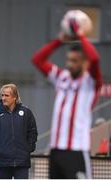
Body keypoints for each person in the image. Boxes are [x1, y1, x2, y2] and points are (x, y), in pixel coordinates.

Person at [32, 19, 102, 179]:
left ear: (85, 63)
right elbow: (37, 60)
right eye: (68, 60)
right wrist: (59, 40)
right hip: (56, 150)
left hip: (76, 150)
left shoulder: (90, 83)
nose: (70, 65)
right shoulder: (61, 77)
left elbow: (95, 59)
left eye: (75, 61)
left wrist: (81, 36)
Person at [0, 84, 38, 179]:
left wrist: (28, 148)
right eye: (2, 95)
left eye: (6, 95)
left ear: (15, 97)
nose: (3, 98)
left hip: (22, 162)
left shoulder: (26, 113)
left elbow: (32, 132)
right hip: (2, 163)